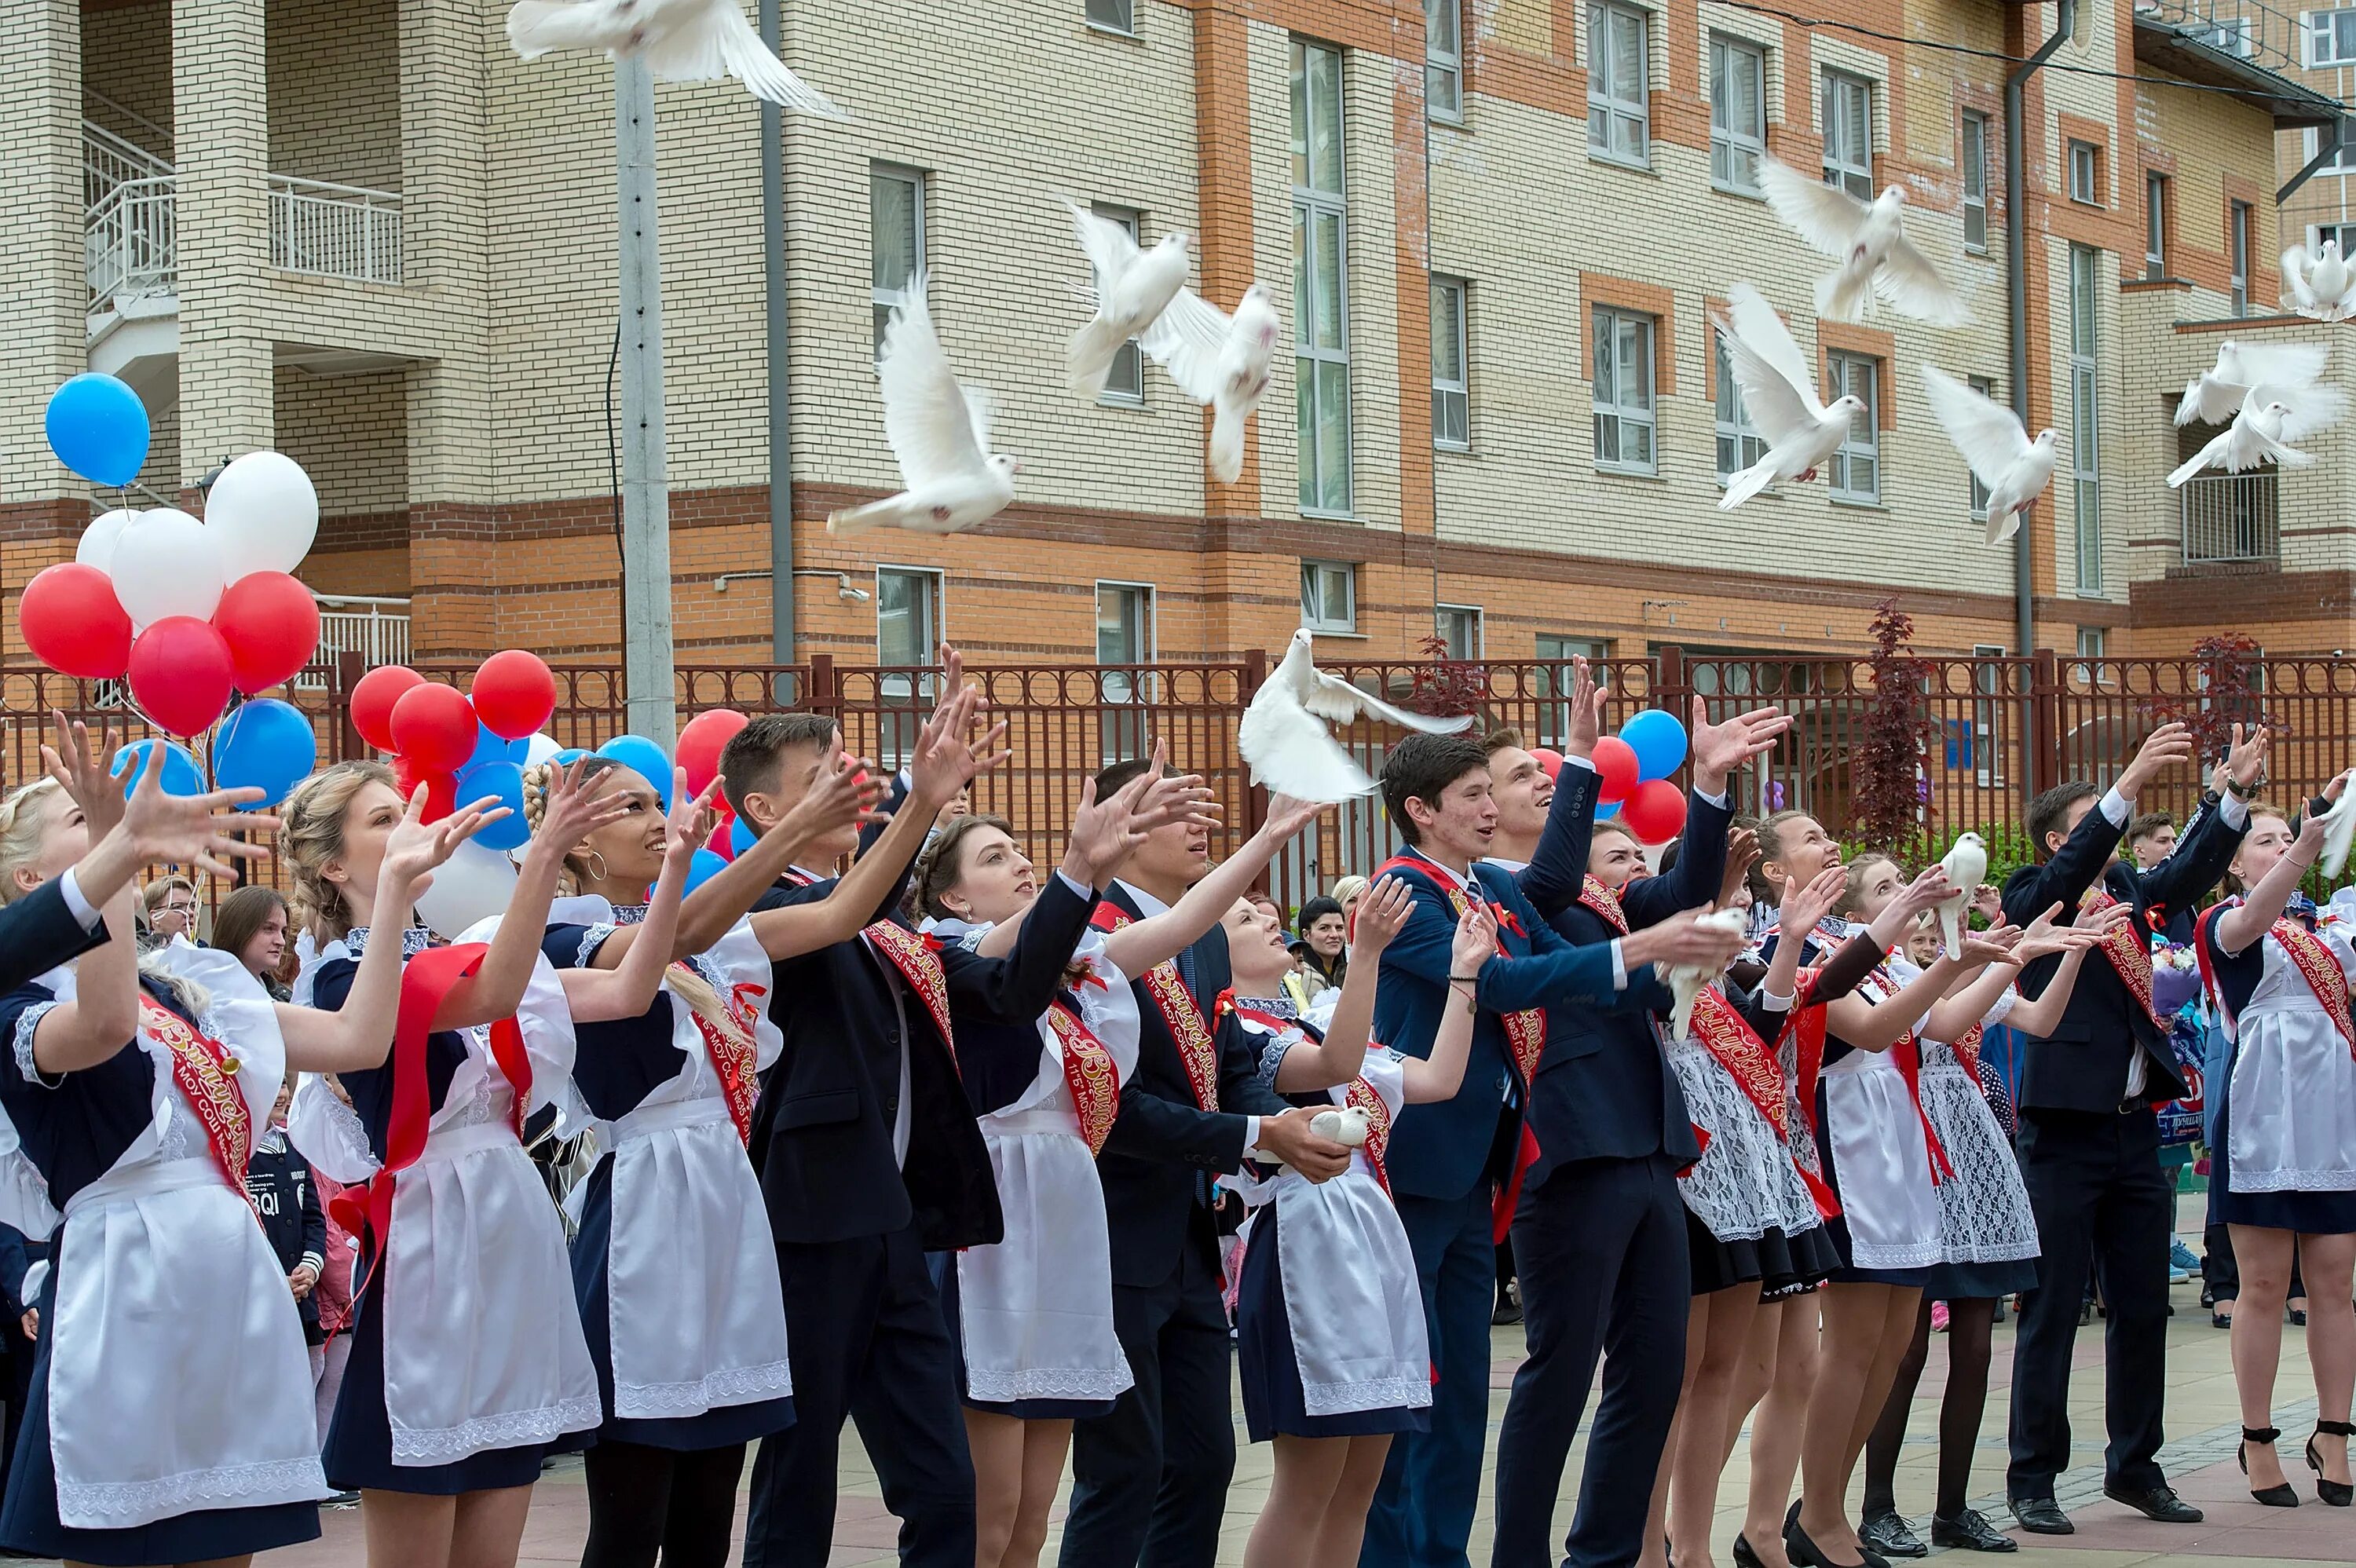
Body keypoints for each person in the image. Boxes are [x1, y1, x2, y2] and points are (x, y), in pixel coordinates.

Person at [0, 731, 470, 1568]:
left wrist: (394, 890)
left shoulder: (183, 986)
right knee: (124, 1533)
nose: (112, 816)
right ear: (33, 880)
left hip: (224, 1262)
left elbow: (359, 1037)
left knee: (225, 1533)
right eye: (83, 815)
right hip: (123, 1277)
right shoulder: (19, 1001)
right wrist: (119, 850)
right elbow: (104, 1024)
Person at [1355, 730, 1747, 1568]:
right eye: (1472, 793)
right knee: (1402, 1389)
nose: (1490, 806)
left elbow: (1564, 964)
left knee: (1458, 1391)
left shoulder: (1485, 886)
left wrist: (1684, 961)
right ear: (1420, 810)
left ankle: (1447, 1554)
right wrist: (1643, 947)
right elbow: (1500, 982)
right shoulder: (1402, 889)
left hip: (1480, 1161)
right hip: (1417, 1159)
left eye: (1487, 790)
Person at [911, 771, 1297, 1568]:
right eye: (995, 855)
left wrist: (1267, 838)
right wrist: (1079, 865)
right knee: (991, 1510)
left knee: (1030, 1516)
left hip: (1067, 1214)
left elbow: (1183, 921)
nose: (1020, 862)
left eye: (1024, 850)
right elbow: (1024, 949)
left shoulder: (1077, 959)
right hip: (997, 1217)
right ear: (952, 897)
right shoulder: (951, 954)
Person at [283, 758, 625, 1568]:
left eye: (405, 806)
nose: (409, 820)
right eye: (381, 817)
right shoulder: (338, 977)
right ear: (334, 864)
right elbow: (492, 996)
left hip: (507, 1229)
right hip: (427, 1244)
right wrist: (540, 859)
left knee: (494, 1525)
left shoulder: (449, 945)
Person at [1487, 670, 1787, 1568]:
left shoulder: (1593, 892)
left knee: (1654, 1370)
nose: (1541, 783)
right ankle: (1520, 1555)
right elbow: (1544, 889)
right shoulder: (1499, 890)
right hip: (1569, 1148)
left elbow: (1689, 887)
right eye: (1515, 778)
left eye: (1542, 773)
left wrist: (1707, 785)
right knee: (1561, 1370)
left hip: (1652, 1141)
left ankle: (1607, 1553)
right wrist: (1580, 757)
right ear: (1469, 812)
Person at [1059, 757, 1351, 1568]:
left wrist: (1288, 1121)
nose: (1201, 823)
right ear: (1116, 824)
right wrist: (1255, 1137)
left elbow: (1217, 1073)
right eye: (1175, 807)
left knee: (1202, 1460)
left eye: (1201, 807)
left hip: (1186, 1235)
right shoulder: (1091, 932)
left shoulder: (1206, 946)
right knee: (1122, 1467)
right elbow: (1107, 1104)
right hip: (1113, 1231)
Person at [2001, 719, 2266, 1535]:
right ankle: (2033, 1476)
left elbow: (2191, 866)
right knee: (2049, 1308)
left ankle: (2135, 1465)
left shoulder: (2127, 896)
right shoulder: (2030, 892)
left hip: (2132, 1129)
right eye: (2096, 822)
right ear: (2060, 836)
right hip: (2063, 1133)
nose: (2112, 839)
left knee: (2144, 1305)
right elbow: (2073, 866)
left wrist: (2230, 795)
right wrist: (2129, 782)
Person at [1846, 857, 2122, 1559]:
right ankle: (1876, 1505)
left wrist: (2069, 955)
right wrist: (2014, 953)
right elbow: (1940, 1024)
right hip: (1912, 1149)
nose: (1916, 905)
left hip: (1968, 1153)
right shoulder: (1883, 973)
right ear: (1861, 914)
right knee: (1904, 1350)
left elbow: (2041, 1019)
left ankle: (1953, 1507)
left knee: (1974, 1346)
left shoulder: (1948, 961)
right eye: (1887, 890)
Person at [1231, 881, 1491, 1568]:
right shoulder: (1239, 1030)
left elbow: (1439, 1078)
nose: (1265, 920)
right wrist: (1368, 953)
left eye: (1264, 912)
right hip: (1302, 1243)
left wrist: (1464, 971)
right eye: (1242, 916)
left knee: (1360, 1483)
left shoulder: (1313, 1019)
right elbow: (1337, 1067)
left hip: (1372, 1237)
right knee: (1308, 1483)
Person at [2196, 785, 2356, 1508]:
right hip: (2263, 1119)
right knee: (2261, 1285)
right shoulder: (2226, 922)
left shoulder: (2332, 929)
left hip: (2332, 1119)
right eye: (2263, 840)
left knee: (2334, 1284)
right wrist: (2307, 844)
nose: (2278, 845)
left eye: (2280, 839)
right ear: (2234, 865)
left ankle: (2334, 1433)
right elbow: (2259, 916)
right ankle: (2257, 1438)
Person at [247, 1081, 329, 1386]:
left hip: (302, 1301)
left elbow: (313, 1218)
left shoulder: (294, 1146)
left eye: (283, 1083)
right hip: (259, 1302)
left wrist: (308, 1268)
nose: (281, 1093)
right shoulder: (238, 1152)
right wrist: (272, 1279)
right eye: (271, 1082)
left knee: (312, 1375)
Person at [214, 884, 294, 1000]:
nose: (281, 941)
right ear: (237, 930)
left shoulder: (280, 996)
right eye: (269, 929)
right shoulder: (210, 999)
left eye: (283, 931)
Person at [1289, 895, 1349, 1005]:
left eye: (1339, 928)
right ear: (1306, 935)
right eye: (1324, 928)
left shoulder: (1344, 971)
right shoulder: (1306, 977)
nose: (1334, 935)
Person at [140, 875, 198, 949]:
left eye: (193, 906)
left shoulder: (204, 951)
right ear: (155, 917)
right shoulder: (141, 954)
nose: (190, 912)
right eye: (178, 907)